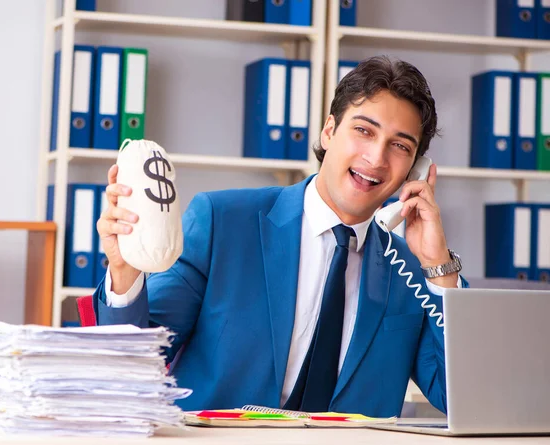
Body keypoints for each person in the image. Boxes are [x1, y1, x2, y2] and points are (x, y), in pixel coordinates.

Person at [93, 55, 467, 417]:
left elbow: (462, 398)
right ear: (329, 130)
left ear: (417, 170)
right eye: (364, 130)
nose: (376, 158)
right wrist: (125, 270)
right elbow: (132, 369)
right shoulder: (222, 222)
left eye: (400, 146)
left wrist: (440, 268)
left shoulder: (412, 272)